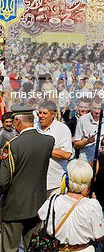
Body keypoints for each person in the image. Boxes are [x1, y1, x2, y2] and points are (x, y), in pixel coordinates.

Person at [0, 106, 54, 252]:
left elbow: (3, 181)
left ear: (17, 121)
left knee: (9, 248)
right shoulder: (48, 141)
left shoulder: (12, 146)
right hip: (37, 205)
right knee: (33, 248)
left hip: (14, 207)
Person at [38, 159, 104, 252]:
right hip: (83, 249)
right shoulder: (92, 205)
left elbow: (41, 215)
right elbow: (99, 235)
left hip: (57, 248)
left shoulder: (54, 200)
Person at [37, 100, 72, 196]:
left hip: (55, 181)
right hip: (36, 181)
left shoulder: (62, 129)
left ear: (53, 114)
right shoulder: (35, 128)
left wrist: (43, 149)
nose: (41, 116)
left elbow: (67, 154)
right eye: (39, 113)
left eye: (44, 113)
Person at [74, 97, 104, 162]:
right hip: (86, 161)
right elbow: (76, 144)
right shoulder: (82, 120)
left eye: (99, 109)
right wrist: (87, 141)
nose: (97, 111)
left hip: (103, 161)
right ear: (90, 107)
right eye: (95, 108)